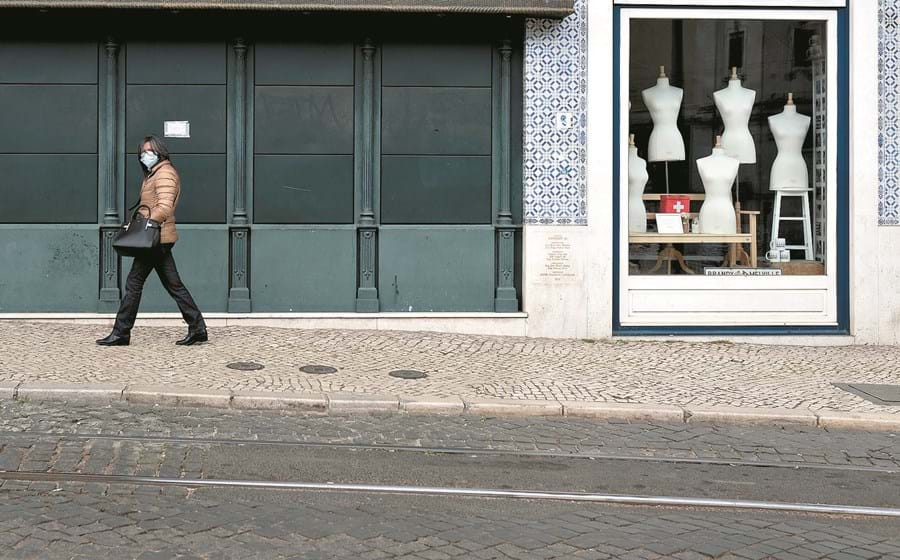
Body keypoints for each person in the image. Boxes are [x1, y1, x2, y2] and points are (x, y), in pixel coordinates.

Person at [97, 136, 208, 346]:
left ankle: (121, 333)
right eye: (142, 152)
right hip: (158, 238)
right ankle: (197, 327)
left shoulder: (164, 173)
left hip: (155, 238)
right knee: (173, 284)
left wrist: (146, 224)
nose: (144, 155)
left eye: (149, 151)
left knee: (134, 283)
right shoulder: (154, 173)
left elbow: (165, 206)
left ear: (160, 152)